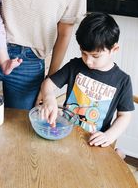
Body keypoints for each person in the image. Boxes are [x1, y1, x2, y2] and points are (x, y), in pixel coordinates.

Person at [40, 12, 134, 149]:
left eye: (95, 56)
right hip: (66, 133)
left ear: (114, 49)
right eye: (84, 53)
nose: (88, 61)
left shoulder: (122, 81)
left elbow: (124, 116)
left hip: (93, 143)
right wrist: (49, 98)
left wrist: (109, 136)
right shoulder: (75, 66)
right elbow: (48, 84)